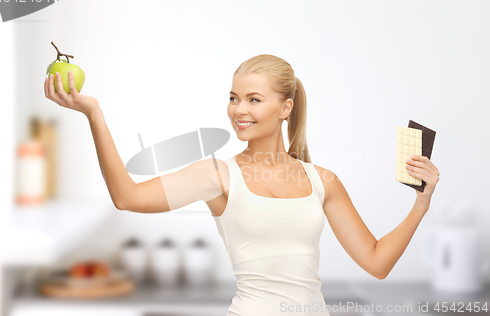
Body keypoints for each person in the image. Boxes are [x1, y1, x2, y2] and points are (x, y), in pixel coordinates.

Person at [44, 54, 440, 315]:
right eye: (234, 98)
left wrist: (420, 204)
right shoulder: (217, 176)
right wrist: (93, 114)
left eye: (253, 99)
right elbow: (127, 198)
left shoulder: (323, 181)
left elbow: (376, 262)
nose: (239, 110)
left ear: (286, 108)